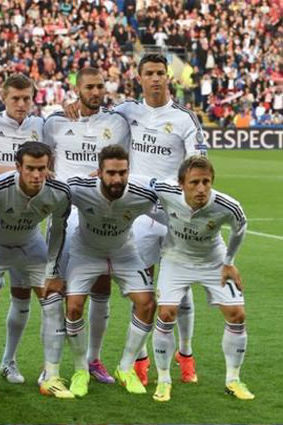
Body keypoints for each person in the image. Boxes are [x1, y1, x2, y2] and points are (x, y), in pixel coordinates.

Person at [64, 54, 207, 386]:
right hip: (138, 214)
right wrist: (75, 105)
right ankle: (139, 361)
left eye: (160, 73)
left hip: (172, 213)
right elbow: (94, 107)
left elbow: (199, 164)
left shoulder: (185, 119)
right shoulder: (127, 111)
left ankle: (185, 353)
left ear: (167, 78)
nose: (156, 78)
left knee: (180, 291)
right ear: (139, 78)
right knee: (142, 286)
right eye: (149, 73)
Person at [43, 67, 130, 385]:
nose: (96, 92)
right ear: (76, 88)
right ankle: (50, 365)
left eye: (100, 86)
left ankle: (93, 360)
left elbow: (123, 163)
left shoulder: (116, 122)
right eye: (90, 87)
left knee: (101, 287)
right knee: (56, 290)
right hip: (63, 215)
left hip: (98, 214)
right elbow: (44, 162)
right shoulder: (55, 121)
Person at [0, 142, 73, 402]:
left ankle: (51, 376)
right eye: (30, 168)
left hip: (30, 246)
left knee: (52, 303)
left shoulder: (59, 191)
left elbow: (58, 231)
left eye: (42, 168)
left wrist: (53, 272)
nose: (37, 175)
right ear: (18, 167)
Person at [150, 156, 253, 402]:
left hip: (213, 261)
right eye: (194, 182)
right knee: (165, 314)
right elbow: (143, 183)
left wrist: (229, 262)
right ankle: (164, 380)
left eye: (206, 182)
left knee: (237, 315)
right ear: (181, 184)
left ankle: (233, 379)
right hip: (176, 259)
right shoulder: (165, 190)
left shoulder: (228, 206)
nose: (201, 188)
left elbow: (241, 227)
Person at [64, 145, 157, 397]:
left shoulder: (142, 195)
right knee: (73, 306)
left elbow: (172, 215)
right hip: (86, 252)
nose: (117, 179)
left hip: (124, 253)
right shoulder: (80, 188)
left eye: (123, 172)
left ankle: (125, 368)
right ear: (99, 171)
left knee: (147, 304)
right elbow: (54, 194)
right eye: (111, 173)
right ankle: (80, 369)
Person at [0, 74, 45, 387]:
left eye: (26, 98)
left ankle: (9, 361)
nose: (21, 104)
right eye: (15, 98)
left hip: (29, 228)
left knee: (23, 298)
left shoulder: (41, 126)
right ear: (3, 97)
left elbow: (47, 169)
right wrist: (17, 173)